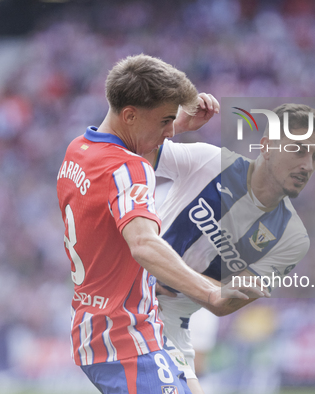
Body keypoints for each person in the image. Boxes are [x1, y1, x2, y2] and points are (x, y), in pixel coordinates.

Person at [56, 54, 265, 394]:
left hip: (102, 329)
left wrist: (175, 123)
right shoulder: (128, 168)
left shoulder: (77, 151)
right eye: (165, 121)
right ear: (130, 115)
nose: (170, 133)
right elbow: (144, 244)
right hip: (125, 339)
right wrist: (211, 292)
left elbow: (116, 166)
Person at [144, 103, 315, 393]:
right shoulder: (211, 161)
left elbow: (225, 302)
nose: (308, 165)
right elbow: (130, 152)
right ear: (267, 146)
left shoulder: (292, 239)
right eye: (298, 150)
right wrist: (176, 126)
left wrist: (164, 271)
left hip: (170, 328)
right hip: (123, 298)